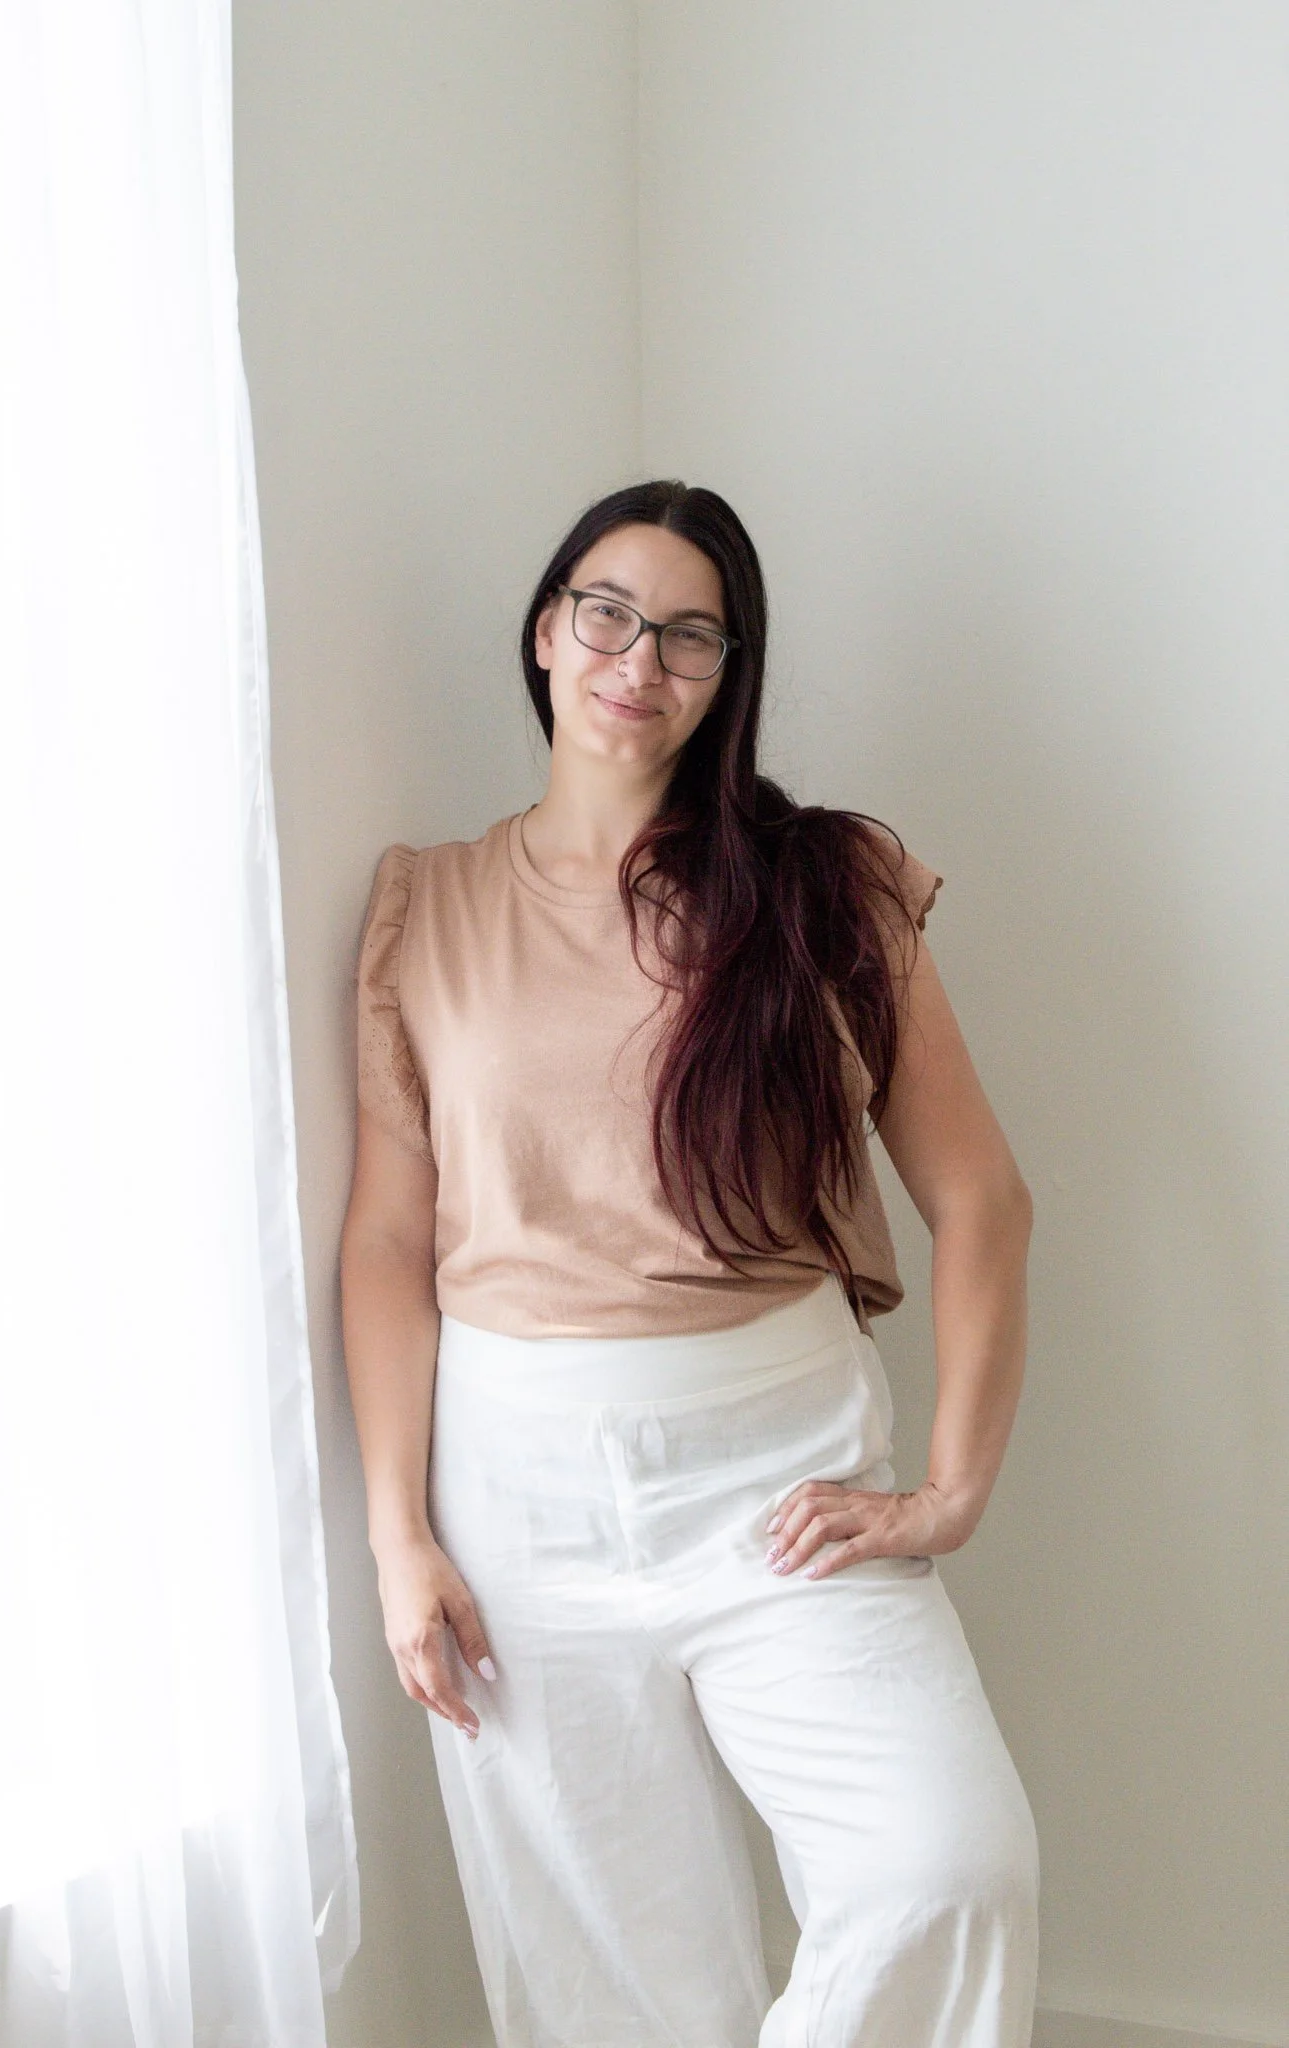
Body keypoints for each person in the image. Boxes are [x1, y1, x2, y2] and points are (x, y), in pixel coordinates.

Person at [339, 479, 1040, 2047]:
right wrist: (399, 1537)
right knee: (611, 1992)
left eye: (690, 636)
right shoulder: (426, 907)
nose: (637, 659)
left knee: (950, 1867)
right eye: (608, 612)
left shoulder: (822, 889)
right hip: (518, 1494)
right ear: (545, 630)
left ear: (729, 677)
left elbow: (983, 1197)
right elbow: (390, 1240)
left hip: (781, 1467)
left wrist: (949, 1489)